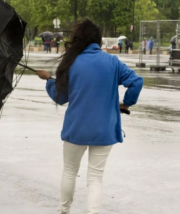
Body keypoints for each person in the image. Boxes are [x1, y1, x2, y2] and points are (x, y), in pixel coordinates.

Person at [35, 18, 143, 214]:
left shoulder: (70, 62)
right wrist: (127, 103)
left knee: (69, 172)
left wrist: (49, 81)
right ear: (98, 40)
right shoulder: (112, 61)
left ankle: (64, 211)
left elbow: (60, 98)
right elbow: (136, 82)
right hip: (104, 129)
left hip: (76, 127)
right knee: (95, 177)